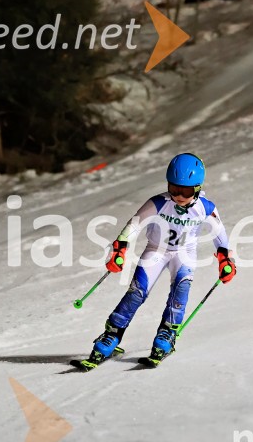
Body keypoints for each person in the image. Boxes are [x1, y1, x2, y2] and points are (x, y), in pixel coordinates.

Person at [76, 153, 236, 369]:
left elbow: (220, 235)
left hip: (185, 253)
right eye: (174, 188)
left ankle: (166, 336)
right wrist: (119, 249)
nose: (179, 195)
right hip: (156, 250)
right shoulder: (159, 202)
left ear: (197, 188)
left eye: (186, 191)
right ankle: (111, 335)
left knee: (180, 293)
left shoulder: (206, 207)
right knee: (136, 293)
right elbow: (134, 225)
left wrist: (226, 260)